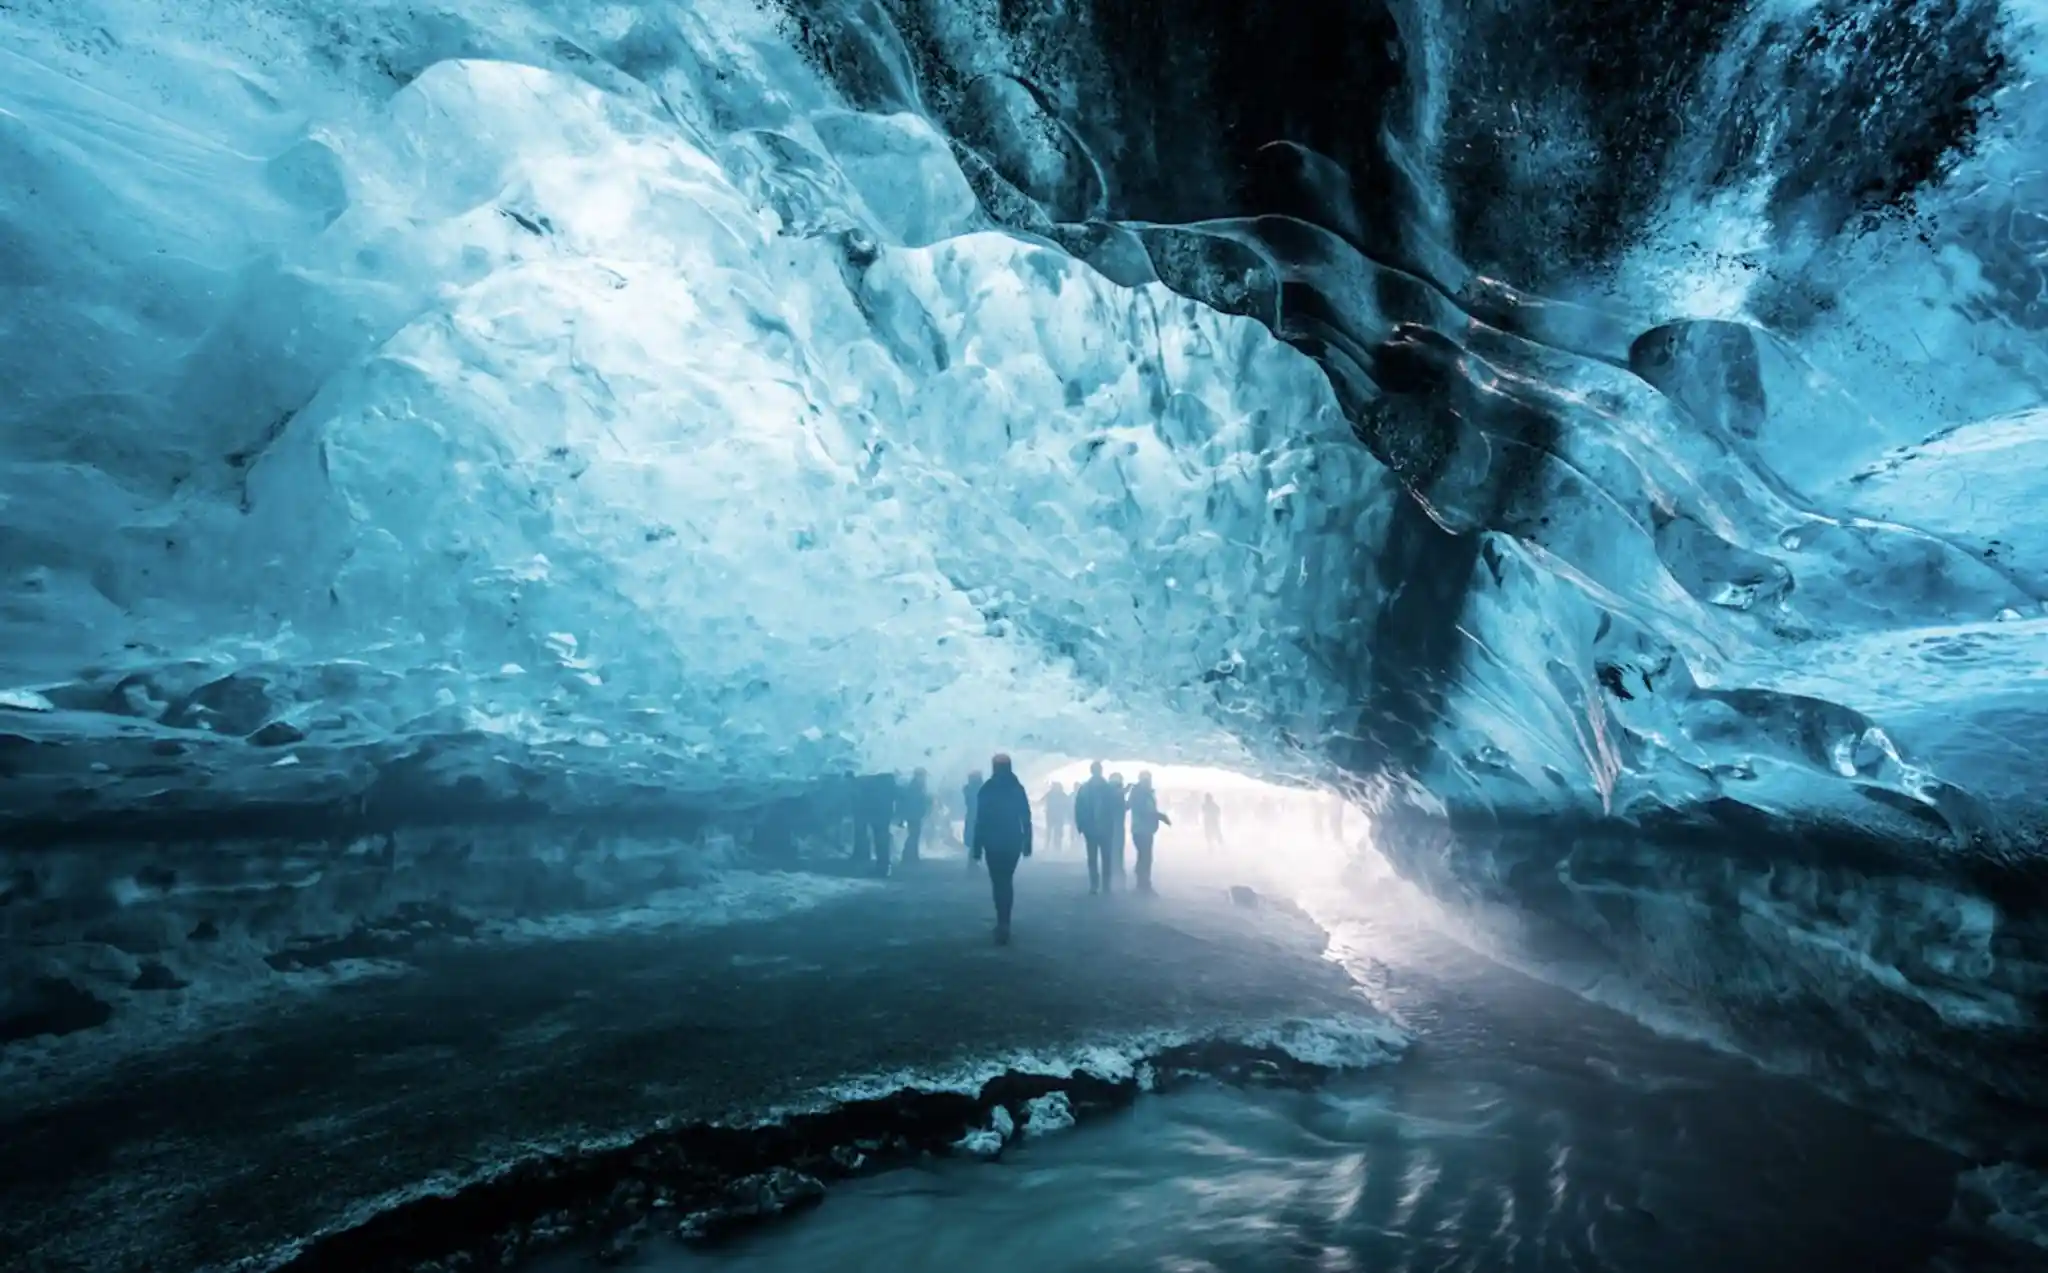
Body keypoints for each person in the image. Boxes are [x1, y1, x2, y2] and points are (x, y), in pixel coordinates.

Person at [971, 753, 1033, 944]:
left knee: (998, 882)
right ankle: (1005, 921)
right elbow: (1026, 817)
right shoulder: (1017, 788)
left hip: (992, 841)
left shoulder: (987, 789)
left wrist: (977, 846)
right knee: (1006, 880)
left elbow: (980, 819)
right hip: (1012, 840)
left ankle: (1002, 921)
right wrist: (1027, 842)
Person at [1127, 771, 1171, 894]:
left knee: (1144, 856)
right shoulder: (1141, 794)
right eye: (1146, 780)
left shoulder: (1141, 793)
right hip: (1142, 830)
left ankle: (1142, 883)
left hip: (1142, 829)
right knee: (1145, 857)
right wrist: (1160, 816)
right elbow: (1145, 811)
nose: (1148, 782)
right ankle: (1143, 884)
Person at [1074, 761, 1114, 893]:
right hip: (1101, 828)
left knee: (1094, 858)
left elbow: (1078, 808)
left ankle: (1095, 885)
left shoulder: (1085, 788)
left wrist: (1080, 825)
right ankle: (1104, 885)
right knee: (1104, 858)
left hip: (1092, 828)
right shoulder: (1107, 788)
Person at [851, 772, 898, 876]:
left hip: (874, 815)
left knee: (879, 841)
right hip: (883, 816)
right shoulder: (888, 785)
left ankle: (880, 867)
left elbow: (860, 799)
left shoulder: (868, 783)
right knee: (882, 842)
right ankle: (883, 867)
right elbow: (897, 797)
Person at [899, 768, 931, 864]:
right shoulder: (914, 787)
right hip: (913, 815)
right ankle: (908, 855)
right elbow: (913, 801)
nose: (924, 778)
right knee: (913, 835)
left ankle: (912, 856)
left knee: (914, 835)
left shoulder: (917, 786)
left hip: (915, 814)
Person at [1105, 771, 1130, 885]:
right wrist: (1127, 791)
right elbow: (1123, 806)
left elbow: (1124, 807)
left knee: (1113, 850)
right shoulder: (1116, 793)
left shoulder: (1108, 792)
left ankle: (1114, 871)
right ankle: (1117, 871)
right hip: (1116, 827)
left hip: (1111, 827)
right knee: (1117, 850)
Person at [961, 770, 984, 868]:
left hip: (974, 816)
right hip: (977, 817)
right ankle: (973, 864)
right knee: (975, 841)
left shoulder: (969, 789)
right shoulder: (976, 789)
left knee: (975, 842)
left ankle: (973, 863)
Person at [1042, 781, 1072, 856]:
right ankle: (1048, 847)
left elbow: (1067, 805)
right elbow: (1042, 800)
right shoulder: (1053, 794)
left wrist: (1068, 814)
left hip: (1057, 816)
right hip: (1052, 816)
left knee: (1057, 833)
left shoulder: (1060, 795)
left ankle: (1057, 848)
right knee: (1049, 832)